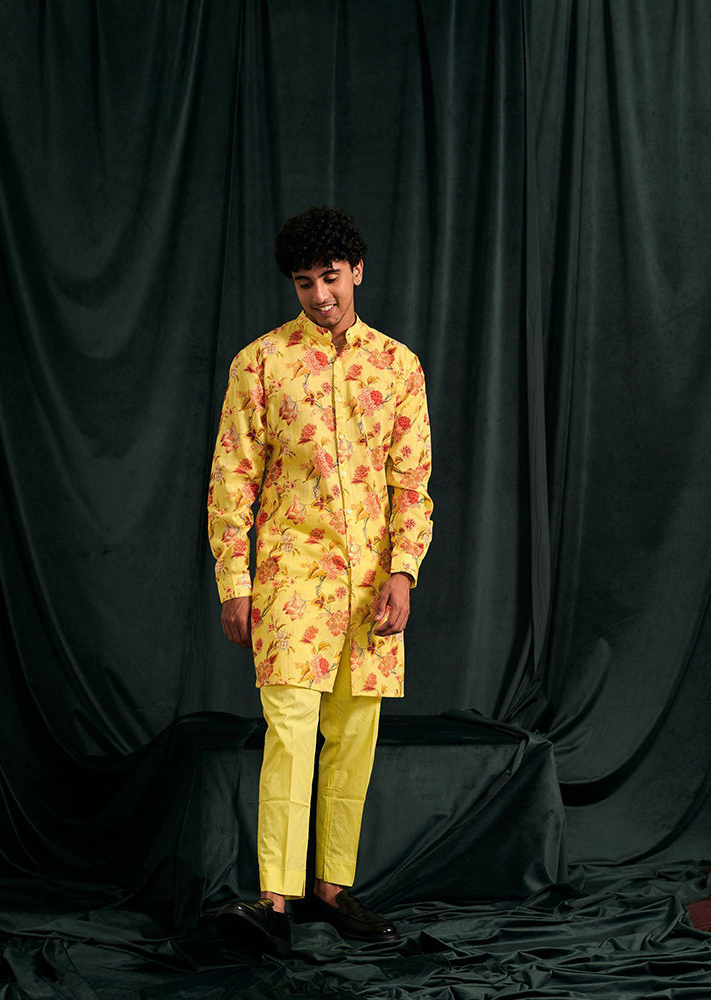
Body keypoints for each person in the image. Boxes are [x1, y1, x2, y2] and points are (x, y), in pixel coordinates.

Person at [207, 206, 433, 955]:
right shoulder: (260, 364)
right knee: (290, 733)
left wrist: (404, 572)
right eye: (304, 283)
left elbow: (412, 484)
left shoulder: (397, 367)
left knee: (354, 739)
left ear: (356, 271)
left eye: (330, 277)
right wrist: (235, 582)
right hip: (289, 579)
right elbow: (232, 479)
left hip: (371, 587)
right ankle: (273, 900)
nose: (320, 295)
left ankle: (332, 889)